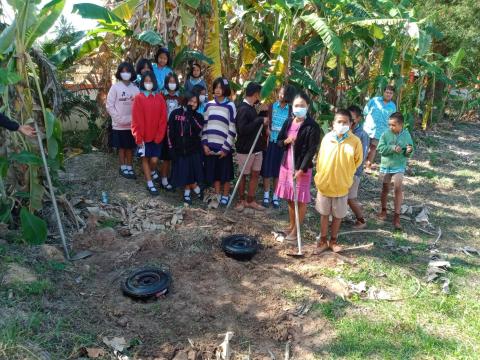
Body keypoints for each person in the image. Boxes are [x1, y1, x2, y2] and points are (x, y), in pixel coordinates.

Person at [314, 109, 363, 253]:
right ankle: (323, 241)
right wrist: (320, 177)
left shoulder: (355, 141)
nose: (342, 124)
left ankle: (333, 241)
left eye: (345, 122)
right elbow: (320, 159)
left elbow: (358, 161)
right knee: (324, 214)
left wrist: (346, 175)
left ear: (350, 124)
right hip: (325, 184)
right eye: (339, 122)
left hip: (342, 186)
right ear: (333, 123)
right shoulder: (327, 138)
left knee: (338, 215)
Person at [276, 92, 320, 241]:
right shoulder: (288, 122)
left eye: (302, 105)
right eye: (296, 105)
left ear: (308, 106)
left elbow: (311, 149)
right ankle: (291, 225)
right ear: (292, 106)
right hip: (286, 165)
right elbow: (279, 141)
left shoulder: (312, 126)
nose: (299, 108)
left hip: (301, 168)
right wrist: (287, 141)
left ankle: (296, 231)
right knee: (290, 198)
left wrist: (301, 169)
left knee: (300, 200)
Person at [131, 71, 167, 196]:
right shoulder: (138, 98)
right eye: (146, 81)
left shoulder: (160, 98)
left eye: (150, 81)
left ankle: (151, 171)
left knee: (154, 160)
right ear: (142, 83)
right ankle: (150, 184)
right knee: (145, 159)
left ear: (154, 83)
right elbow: (135, 119)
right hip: (143, 136)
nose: (148, 83)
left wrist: (159, 135)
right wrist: (138, 137)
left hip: (157, 137)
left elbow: (163, 119)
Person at [201, 77, 236, 206]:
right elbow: (204, 126)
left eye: (220, 88)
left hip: (223, 147)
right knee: (215, 173)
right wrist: (204, 144)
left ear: (225, 90)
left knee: (225, 174)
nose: (217, 90)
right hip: (210, 146)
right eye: (216, 87)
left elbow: (232, 128)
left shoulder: (230, 106)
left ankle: (226, 194)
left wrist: (226, 148)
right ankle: (217, 194)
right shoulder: (208, 105)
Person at [233, 82, 268, 212]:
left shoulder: (254, 107)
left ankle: (250, 200)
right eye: (259, 94)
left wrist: (263, 114)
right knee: (243, 174)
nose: (260, 97)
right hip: (245, 149)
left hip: (257, 148)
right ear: (255, 94)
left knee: (255, 173)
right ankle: (241, 200)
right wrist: (259, 120)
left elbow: (258, 122)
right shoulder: (242, 109)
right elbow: (242, 130)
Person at [377, 112, 414, 230]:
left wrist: (408, 150)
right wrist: (392, 148)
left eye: (393, 125)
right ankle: (383, 210)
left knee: (398, 187)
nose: (391, 127)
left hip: (399, 165)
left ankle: (396, 216)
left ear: (401, 125)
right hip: (386, 165)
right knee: (385, 188)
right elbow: (380, 148)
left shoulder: (406, 135)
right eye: (389, 125)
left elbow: (410, 150)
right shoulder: (385, 134)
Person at [261, 84, 296, 208]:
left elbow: (292, 127)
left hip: (282, 145)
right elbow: (265, 122)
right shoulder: (271, 106)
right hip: (270, 142)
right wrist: (267, 129)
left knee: (277, 171)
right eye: (280, 93)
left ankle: (275, 196)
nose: (281, 95)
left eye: (284, 94)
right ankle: (266, 195)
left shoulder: (291, 110)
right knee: (267, 170)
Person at [168, 92, 204, 204]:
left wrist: (190, 115)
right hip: (179, 149)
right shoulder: (175, 113)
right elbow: (170, 132)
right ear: (186, 100)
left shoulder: (198, 116)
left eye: (195, 102)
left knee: (191, 172)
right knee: (184, 171)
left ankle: (187, 193)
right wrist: (171, 148)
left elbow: (198, 129)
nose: (192, 104)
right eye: (191, 101)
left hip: (193, 149)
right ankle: (195, 189)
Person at [106, 61, 140, 179]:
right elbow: (109, 106)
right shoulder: (115, 88)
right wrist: (119, 118)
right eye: (123, 71)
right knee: (121, 147)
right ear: (119, 73)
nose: (125, 73)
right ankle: (122, 167)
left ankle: (130, 167)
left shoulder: (135, 89)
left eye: (128, 71)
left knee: (130, 147)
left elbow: (139, 107)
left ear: (132, 73)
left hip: (132, 125)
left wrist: (134, 120)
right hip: (118, 124)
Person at [363, 85, 396, 173]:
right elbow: (365, 111)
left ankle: (368, 167)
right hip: (368, 129)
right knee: (364, 147)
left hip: (380, 131)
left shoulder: (392, 106)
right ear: (383, 92)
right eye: (387, 92)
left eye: (390, 93)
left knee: (373, 148)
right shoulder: (374, 100)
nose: (388, 94)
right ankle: (358, 165)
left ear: (393, 95)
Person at [347, 105, 370, 229]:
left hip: (354, 172)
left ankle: (361, 220)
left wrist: (354, 171)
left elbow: (363, 155)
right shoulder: (345, 132)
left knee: (351, 198)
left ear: (358, 119)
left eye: (352, 118)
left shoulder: (362, 134)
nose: (350, 121)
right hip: (343, 171)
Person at [159, 72, 182, 191]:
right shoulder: (162, 95)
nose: (172, 84)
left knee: (175, 156)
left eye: (174, 82)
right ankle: (163, 179)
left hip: (177, 130)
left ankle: (173, 179)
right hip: (164, 129)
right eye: (170, 82)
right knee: (166, 156)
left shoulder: (180, 97)